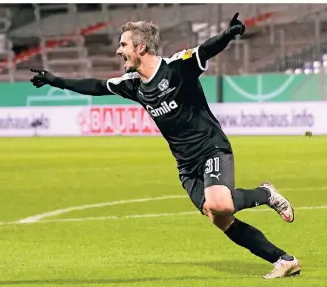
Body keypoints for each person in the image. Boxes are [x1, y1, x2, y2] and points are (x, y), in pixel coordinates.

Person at [30, 13, 301, 279]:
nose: (118, 51)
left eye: (123, 45)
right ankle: (284, 260)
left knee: (220, 203)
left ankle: (265, 194)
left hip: (211, 148)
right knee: (219, 217)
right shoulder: (133, 85)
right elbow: (97, 85)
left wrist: (228, 35)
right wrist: (55, 80)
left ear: (141, 47)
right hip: (186, 165)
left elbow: (205, 50)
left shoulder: (176, 67)